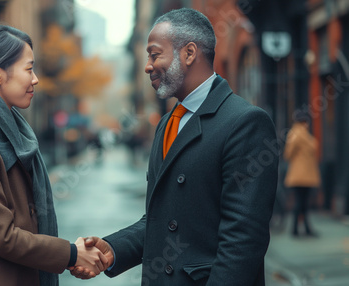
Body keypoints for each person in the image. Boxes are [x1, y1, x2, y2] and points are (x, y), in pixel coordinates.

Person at [71, 8, 278, 285]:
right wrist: (113, 250)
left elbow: (242, 243)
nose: (147, 65)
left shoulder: (245, 123)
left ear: (189, 53)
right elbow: (161, 220)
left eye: (155, 54)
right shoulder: (167, 123)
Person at [0, 25, 107, 286]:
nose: (35, 79)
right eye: (29, 69)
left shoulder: (15, 131)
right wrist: (72, 254)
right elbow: (3, 236)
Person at [284, 111, 320, 237]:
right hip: (301, 175)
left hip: (301, 175)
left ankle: (302, 229)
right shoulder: (297, 134)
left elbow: (288, 154)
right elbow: (288, 154)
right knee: (301, 203)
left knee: (302, 203)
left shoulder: (296, 134)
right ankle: (296, 229)